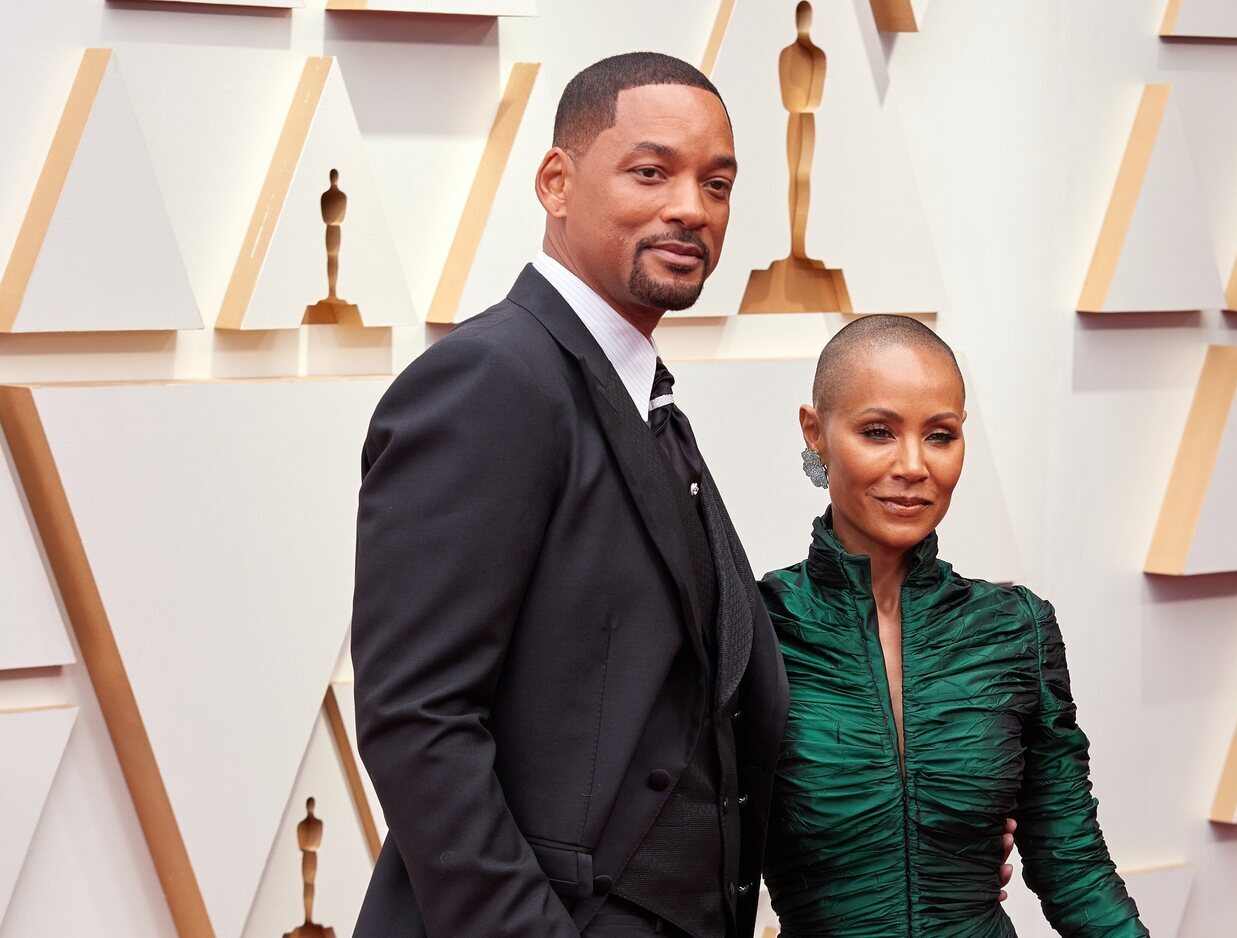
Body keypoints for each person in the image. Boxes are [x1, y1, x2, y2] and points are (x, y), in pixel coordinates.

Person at [350, 53, 790, 938]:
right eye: (651, 172)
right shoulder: (490, 379)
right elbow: (417, 720)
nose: (691, 209)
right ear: (557, 181)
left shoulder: (639, 393)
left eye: (718, 183)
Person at [760, 315, 1147, 937]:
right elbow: (698, 857)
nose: (914, 465)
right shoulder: (756, 628)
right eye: (878, 432)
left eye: (940, 435)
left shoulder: (1014, 628)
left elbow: (1072, 863)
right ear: (817, 433)